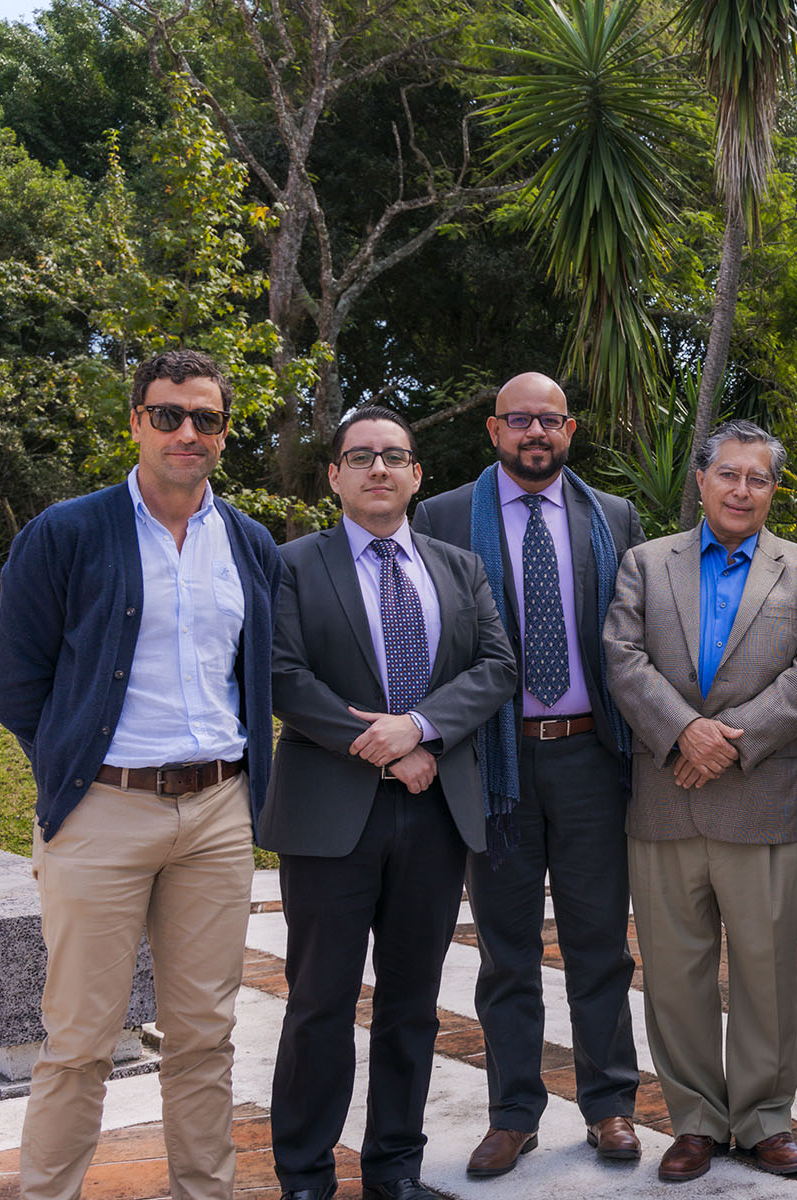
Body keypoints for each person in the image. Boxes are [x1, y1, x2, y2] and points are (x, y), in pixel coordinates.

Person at [0, 349, 281, 1200]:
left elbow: (260, 672)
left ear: (224, 434)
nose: (187, 432)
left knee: (205, 1034)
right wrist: (74, 771)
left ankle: (203, 1190)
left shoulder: (250, 543)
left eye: (206, 419)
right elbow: (18, 689)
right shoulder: (68, 534)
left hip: (220, 812)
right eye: (168, 415)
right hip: (102, 811)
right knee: (79, 1038)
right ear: (135, 423)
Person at [261, 407, 517, 1200]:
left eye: (394, 457)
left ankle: (394, 1168)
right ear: (334, 475)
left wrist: (422, 731)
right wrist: (376, 744)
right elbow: (282, 673)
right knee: (319, 1004)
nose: (379, 468)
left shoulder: (458, 566)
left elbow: (497, 666)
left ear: (416, 475)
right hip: (332, 815)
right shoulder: (292, 564)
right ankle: (304, 1174)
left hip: (436, 812)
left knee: (411, 1006)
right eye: (361, 456)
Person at [411, 371, 647, 1174]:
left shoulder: (612, 516)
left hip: (590, 756)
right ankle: (513, 1112)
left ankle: (611, 1105)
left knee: (599, 942)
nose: (535, 433)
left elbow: (631, 639)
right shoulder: (441, 516)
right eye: (520, 420)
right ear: (494, 431)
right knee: (506, 948)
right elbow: (434, 639)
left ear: (570, 431)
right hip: (494, 761)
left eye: (549, 420)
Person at [602, 420, 797, 1183]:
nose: (742, 490)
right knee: (674, 974)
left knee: (768, 971)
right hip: (666, 796)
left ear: (774, 489)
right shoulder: (644, 564)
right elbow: (623, 658)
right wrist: (684, 734)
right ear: (700, 481)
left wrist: (728, 743)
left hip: (762, 801)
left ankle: (766, 1120)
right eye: (728, 475)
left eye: (758, 478)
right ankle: (697, 1122)